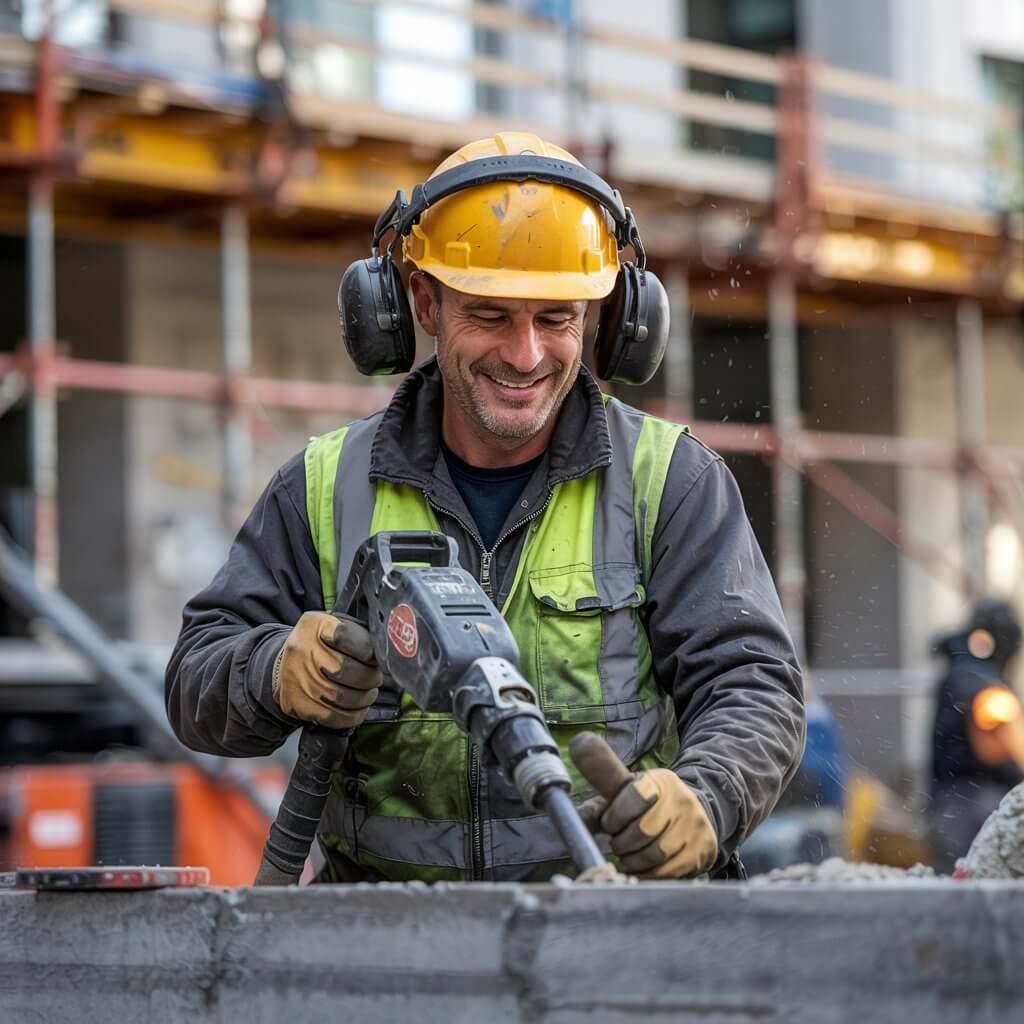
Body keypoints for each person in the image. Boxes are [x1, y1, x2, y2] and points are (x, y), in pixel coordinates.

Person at [165, 132, 805, 883]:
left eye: (557, 318)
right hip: (387, 958)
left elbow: (753, 683)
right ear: (423, 305)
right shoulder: (325, 484)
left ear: (608, 319)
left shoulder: (671, 481)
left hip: (605, 943)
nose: (526, 354)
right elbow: (193, 679)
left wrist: (708, 795)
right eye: (491, 315)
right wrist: (272, 669)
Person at [930, 598, 1024, 871]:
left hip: (956, 799)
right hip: (971, 801)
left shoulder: (965, 673)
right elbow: (992, 746)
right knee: (972, 889)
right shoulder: (981, 686)